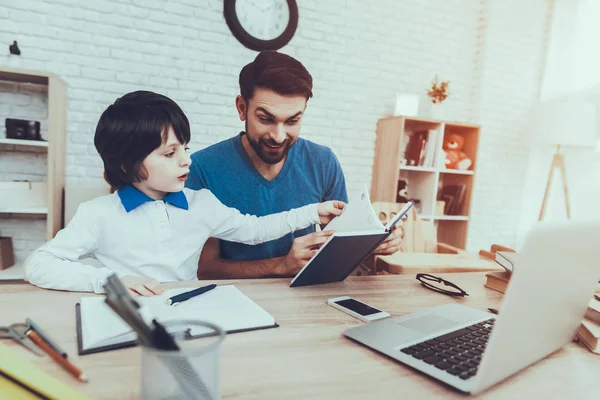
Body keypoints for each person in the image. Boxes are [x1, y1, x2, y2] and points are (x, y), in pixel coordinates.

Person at [25, 91, 345, 295]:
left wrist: (310, 212)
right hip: (127, 318)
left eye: (186, 148)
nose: (186, 160)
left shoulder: (201, 203)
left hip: (189, 312)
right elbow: (39, 265)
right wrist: (110, 282)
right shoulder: (98, 214)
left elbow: (255, 229)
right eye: (169, 153)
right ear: (127, 164)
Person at [186, 51, 402, 280]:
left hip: (306, 299)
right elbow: (203, 268)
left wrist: (374, 244)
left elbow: (341, 246)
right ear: (242, 108)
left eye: (292, 121)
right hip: (232, 300)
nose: (278, 136)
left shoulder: (323, 161)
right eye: (266, 119)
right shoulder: (202, 168)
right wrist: (279, 265)